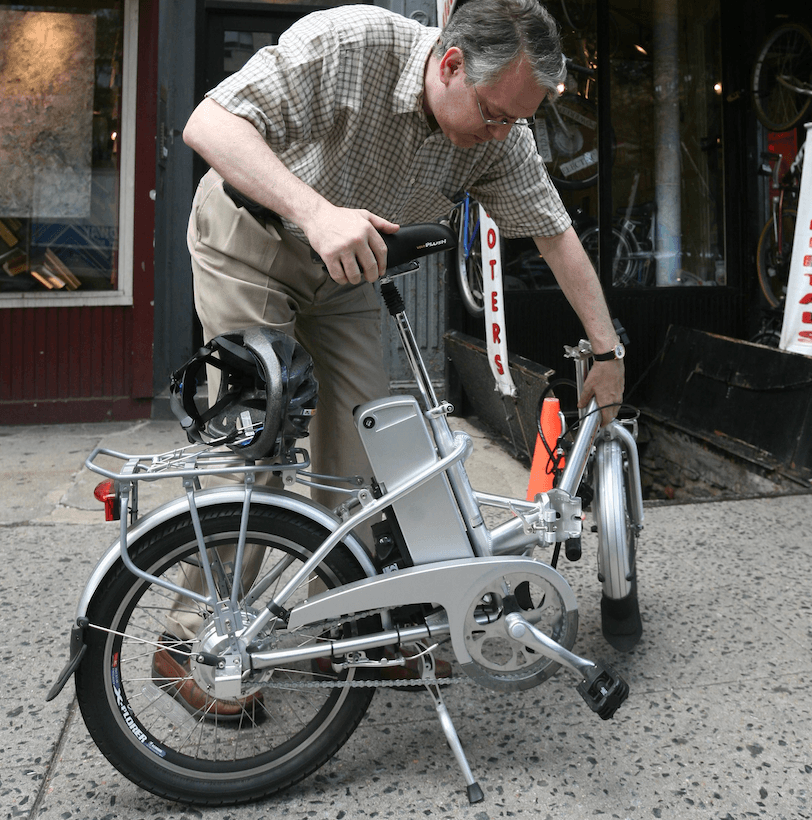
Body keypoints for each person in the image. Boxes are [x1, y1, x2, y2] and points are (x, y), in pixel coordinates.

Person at [155, 0, 626, 716]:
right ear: (451, 64)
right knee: (257, 445)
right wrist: (316, 212)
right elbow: (209, 124)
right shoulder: (351, 44)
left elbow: (555, 235)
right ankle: (189, 640)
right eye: (496, 114)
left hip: (344, 275)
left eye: (516, 122)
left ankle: (341, 631)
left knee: (362, 452)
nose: (501, 134)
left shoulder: (500, 135)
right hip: (249, 242)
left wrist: (606, 347)